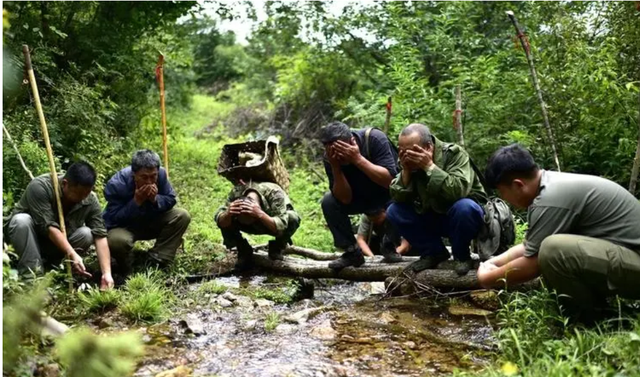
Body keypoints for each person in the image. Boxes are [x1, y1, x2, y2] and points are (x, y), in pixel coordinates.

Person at [477, 144, 640, 323]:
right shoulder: (549, 186)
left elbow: (532, 264)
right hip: (629, 258)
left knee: (553, 250)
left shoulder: (549, 200)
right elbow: (528, 246)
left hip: (635, 260)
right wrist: (493, 261)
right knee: (549, 247)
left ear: (518, 185)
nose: (503, 197)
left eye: (502, 191)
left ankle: (589, 321)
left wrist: (489, 278)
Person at [386, 123, 487, 276]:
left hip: (462, 218)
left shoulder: (455, 154)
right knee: (394, 211)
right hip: (432, 215)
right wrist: (406, 171)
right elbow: (396, 196)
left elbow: (458, 190)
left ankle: (462, 256)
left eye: (411, 152)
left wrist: (429, 167)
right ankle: (433, 253)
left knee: (465, 207)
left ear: (428, 147)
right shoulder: (407, 161)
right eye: (401, 151)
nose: (406, 156)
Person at [5, 162, 114, 289]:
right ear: (65, 184)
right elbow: (49, 228)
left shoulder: (90, 199)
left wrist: (107, 274)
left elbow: (99, 235)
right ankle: (33, 281)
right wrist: (73, 254)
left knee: (86, 234)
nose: (83, 198)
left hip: (54, 247)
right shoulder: (40, 187)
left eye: (86, 194)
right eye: (78, 194)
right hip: (27, 241)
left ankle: (56, 269)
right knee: (21, 221)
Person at [319, 122, 401, 270]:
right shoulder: (330, 157)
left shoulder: (374, 139)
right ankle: (352, 252)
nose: (339, 156)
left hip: (386, 193)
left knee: (401, 197)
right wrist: (336, 166)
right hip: (358, 197)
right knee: (328, 202)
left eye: (342, 151)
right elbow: (344, 198)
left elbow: (391, 181)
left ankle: (389, 246)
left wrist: (357, 159)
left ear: (352, 141)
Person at [103, 150, 191, 276]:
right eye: (144, 177)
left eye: (153, 176)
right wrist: (136, 202)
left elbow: (171, 199)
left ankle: (158, 259)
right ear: (134, 174)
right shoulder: (116, 184)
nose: (149, 182)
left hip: (151, 220)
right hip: (125, 226)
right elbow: (113, 218)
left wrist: (155, 199)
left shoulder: (161, 174)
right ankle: (126, 266)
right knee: (117, 241)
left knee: (182, 215)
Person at [215, 181, 300, 270]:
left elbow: (281, 226)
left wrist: (260, 214)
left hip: (269, 221)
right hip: (256, 220)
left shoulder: (275, 194)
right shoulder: (236, 193)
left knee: (293, 218)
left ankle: (277, 248)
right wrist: (228, 214)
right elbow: (219, 220)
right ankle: (243, 250)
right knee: (224, 217)